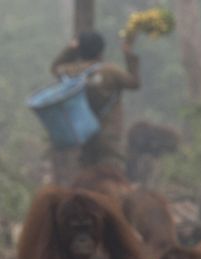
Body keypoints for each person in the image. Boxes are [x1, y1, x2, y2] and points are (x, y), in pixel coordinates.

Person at [51, 30, 140, 170]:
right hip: (109, 136)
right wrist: (128, 53)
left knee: (86, 176)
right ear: (101, 51)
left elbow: (55, 68)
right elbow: (134, 83)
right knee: (112, 176)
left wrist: (70, 49)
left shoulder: (69, 71)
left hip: (83, 135)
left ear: (79, 50)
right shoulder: (110, 71)